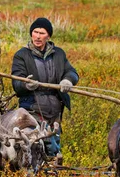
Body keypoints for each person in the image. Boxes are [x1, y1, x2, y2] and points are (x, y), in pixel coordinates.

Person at [11, 17, 79, 160]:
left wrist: (68, 80)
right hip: (32, 110)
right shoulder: (22, 55)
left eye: (42, 33)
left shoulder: (59, 54)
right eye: (35, 32)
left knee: (54, 149)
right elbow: (16, 83)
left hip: (55, 111)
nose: (37, 36)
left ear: (48, 36)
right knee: (36, 146)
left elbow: (72, 72)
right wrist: (26, 85)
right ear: (31, 34)